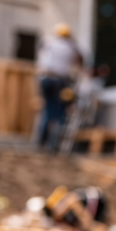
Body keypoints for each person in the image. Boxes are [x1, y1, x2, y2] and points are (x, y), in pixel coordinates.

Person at [35, 22, 82, 150]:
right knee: (60, 111)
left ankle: (40, 141)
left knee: (47, 108)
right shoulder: (71, 46)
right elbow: (80, 60)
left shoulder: (48, 42)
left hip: (44, 78)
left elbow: (40, 52)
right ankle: (53, 144)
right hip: (59, 81)